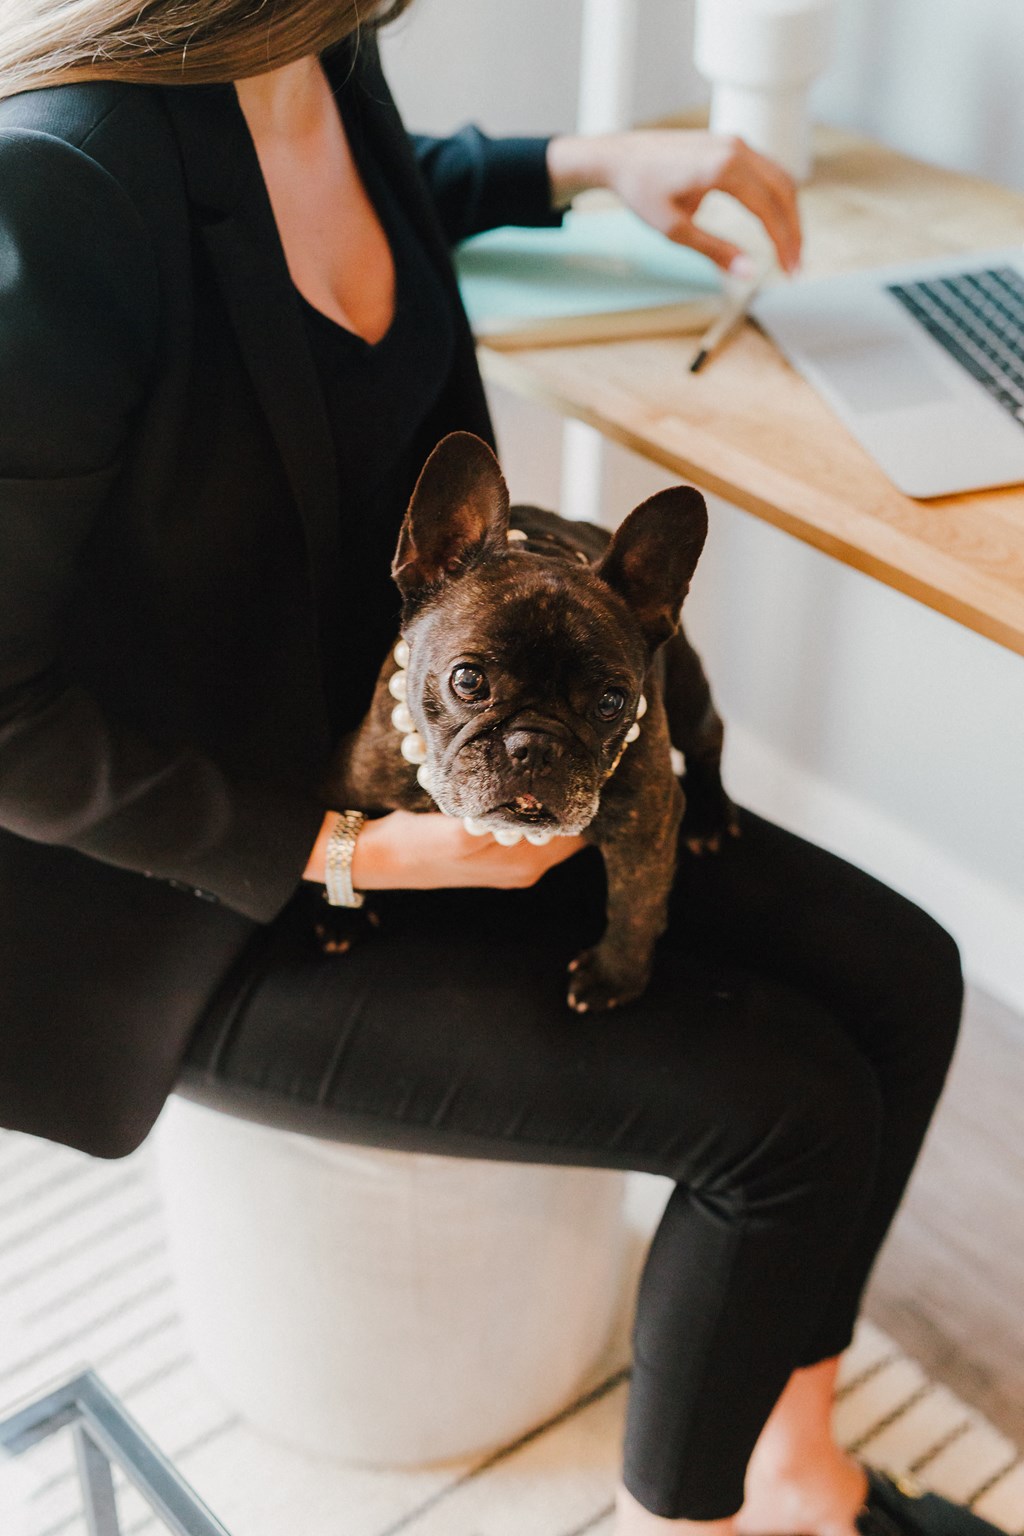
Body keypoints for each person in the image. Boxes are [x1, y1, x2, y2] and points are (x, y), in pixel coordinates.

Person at [0, 4, 997, 1534]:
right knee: (789, 1110)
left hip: (444, 739)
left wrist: (593, 161)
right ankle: (695, 1514)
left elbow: (373, 212)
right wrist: (341, 850)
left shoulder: (318, 55)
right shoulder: (58, 185)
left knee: (911, 973)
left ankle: (800, 1468)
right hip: (202, 886)